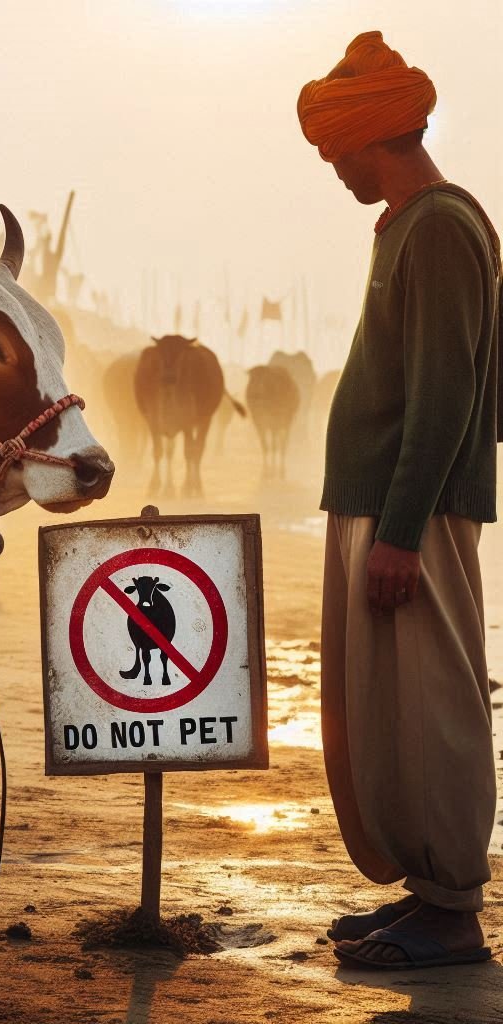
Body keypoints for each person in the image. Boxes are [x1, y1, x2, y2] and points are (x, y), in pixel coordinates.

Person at [298, 30, 500, 970]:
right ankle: (425, 892)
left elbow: (446, 395)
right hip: (380, 513)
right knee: (394, 712)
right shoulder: (411, 228)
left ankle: (454, 909)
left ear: (375, 138)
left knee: (438, 706)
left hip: (408, 521)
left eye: (339, 154)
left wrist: (404, 532)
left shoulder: (444, 229)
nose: (335, 172)